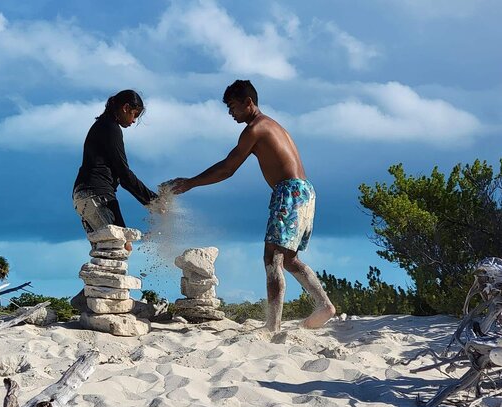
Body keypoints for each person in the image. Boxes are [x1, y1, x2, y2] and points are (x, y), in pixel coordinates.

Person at [169, 80, 336, 332]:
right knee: (289, 259)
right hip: (305, 191)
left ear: (249, 103)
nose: (230, 113)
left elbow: (228, 168)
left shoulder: (255, 129)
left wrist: (191, 183)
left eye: (233, 107)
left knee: (272, 258)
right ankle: (324, 305)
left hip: (289, 191)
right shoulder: (272, 124)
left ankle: (273, 324)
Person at [73, 89, 159, 251]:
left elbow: (121, 175)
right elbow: (124, 174)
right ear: (125, 108)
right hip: (95, 194)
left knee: (117, 248)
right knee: (117, 247)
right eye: (134, 114)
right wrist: (154, 201)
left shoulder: (102, 126)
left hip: (84, 195)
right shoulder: (110, 128)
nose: (134, 121)